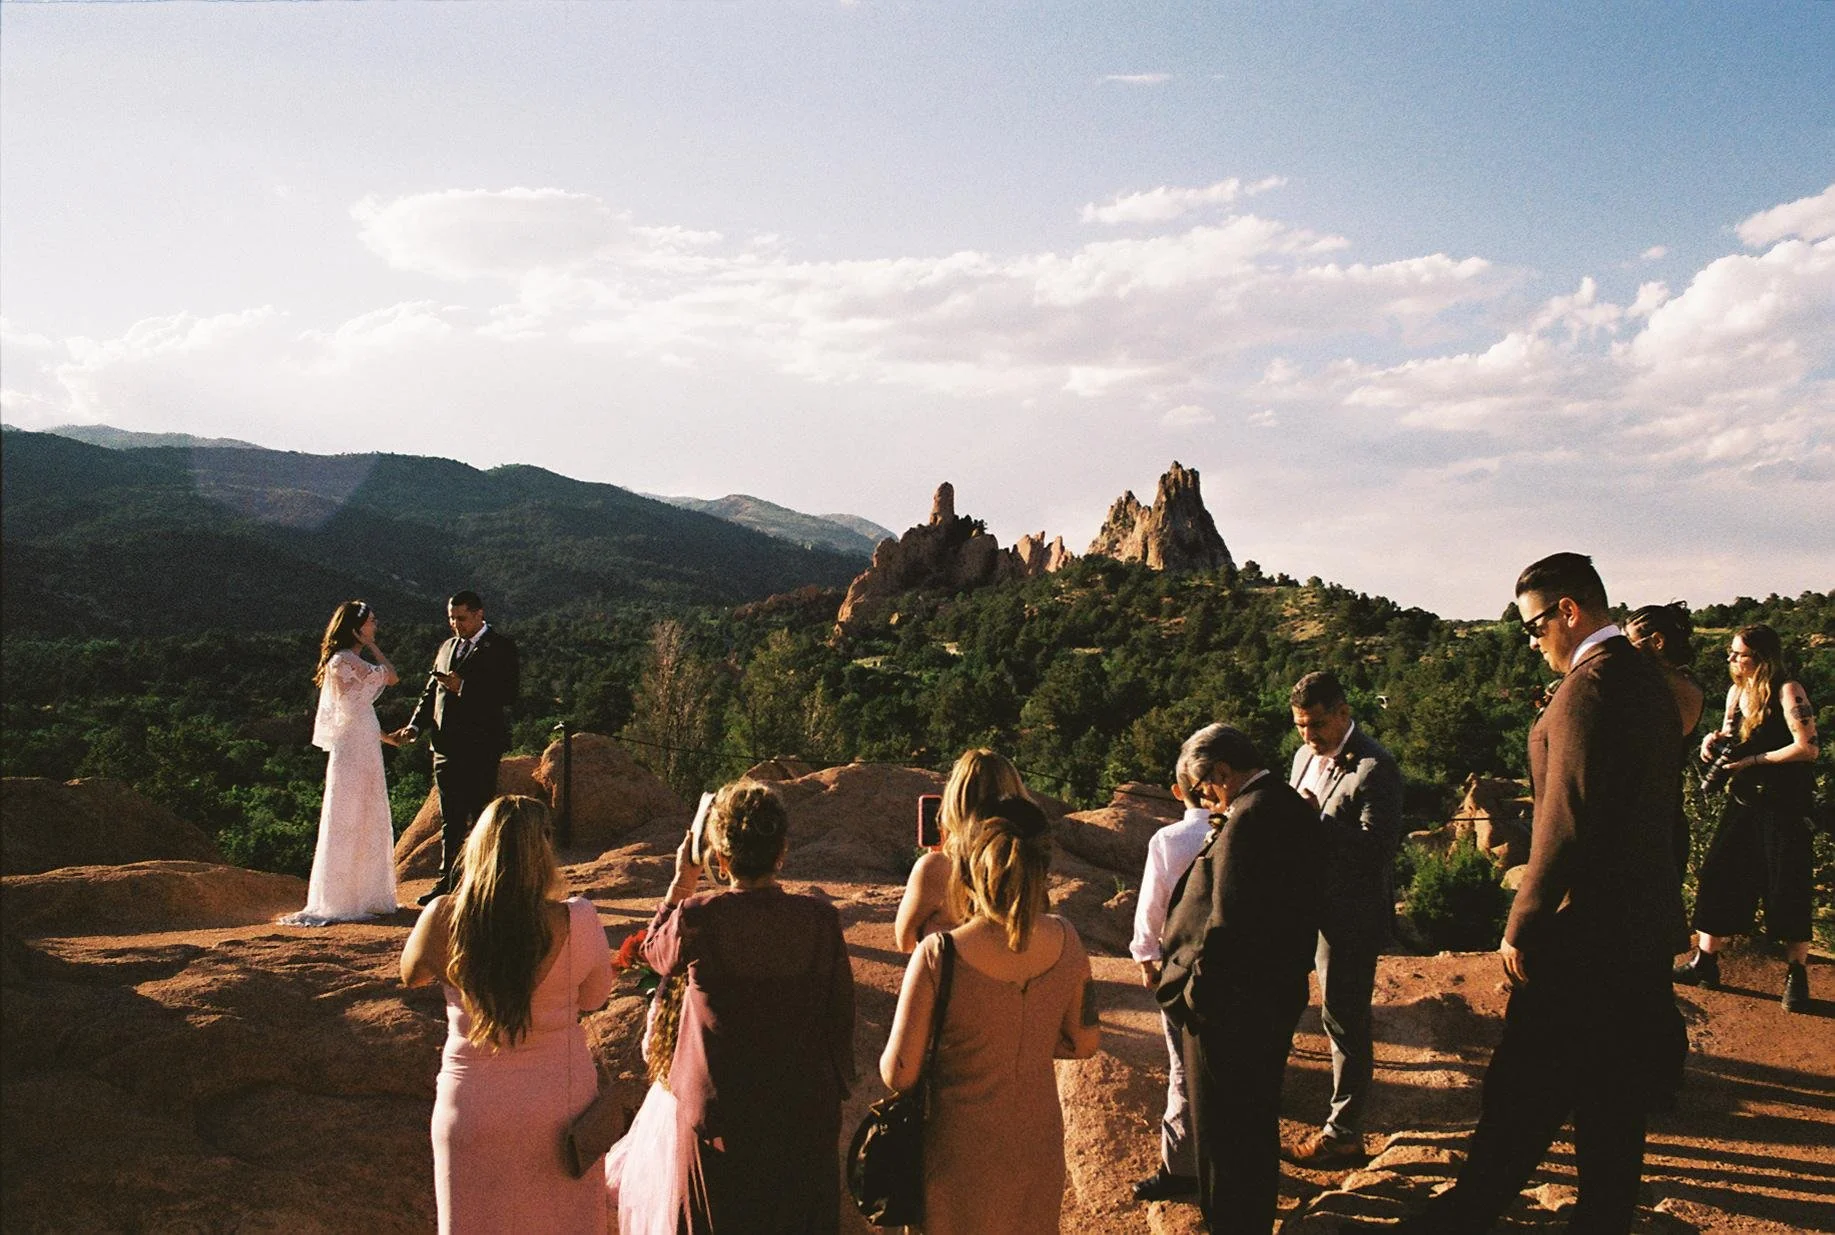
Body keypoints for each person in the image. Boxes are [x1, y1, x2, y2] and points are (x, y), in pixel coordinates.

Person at [1392, 553, 1688, 1235]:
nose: (1531, 642)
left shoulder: (1587, 689)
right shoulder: (1649, 680)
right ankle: (1601, 1216)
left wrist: (1519, 922)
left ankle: (1462, 1217)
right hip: (1638, 927)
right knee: (1611, 1093)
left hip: (1581, 933)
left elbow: (1566, 820)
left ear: (1567, 611)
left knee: (1521, 1086)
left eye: (1532, 626)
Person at [643, 780, 855, 1234]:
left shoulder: (700, 916)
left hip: (721, 1122)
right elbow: (840, 1017)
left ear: (720, 858)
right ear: (781, 851)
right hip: (802, 1118)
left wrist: (682, 882)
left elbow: (653, 953)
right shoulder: (820, 920)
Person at [881, 797, 1100, 1235]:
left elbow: (899, 1073)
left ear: (970, 864)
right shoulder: (1068, 940)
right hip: (1037, 1140)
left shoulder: (939, 955)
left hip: (959, 1147)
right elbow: (1084, 1041)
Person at [400, 795, 615, 1235]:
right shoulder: (579, 919)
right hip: (562, 1109)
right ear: (545, 850)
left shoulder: (443, 916)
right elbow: (595, 998)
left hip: (473, 1103)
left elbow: (412, 974)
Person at [1155, 724, 1324, 1235]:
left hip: (1229, 1008)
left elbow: (1228, 924)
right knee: (1253, 1121)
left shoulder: (1249, 818)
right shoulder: (1292, 805)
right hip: (1271, 994)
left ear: (1223, 773)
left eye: (1204, 789)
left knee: (1222, 1134)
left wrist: (1194, 995)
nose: (1205, 802)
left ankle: (1231, 1223)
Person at [1282, 670, 1403, 1167]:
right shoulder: (1302, 757)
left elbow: (1378, 848)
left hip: (1349, 915)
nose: (1307, 737)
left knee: (1343, 1019)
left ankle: (1344, 1132)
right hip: (1298, 907)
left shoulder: (1377, 767)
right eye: (1299, 726)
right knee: (1282, 1000)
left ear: (1343, 713)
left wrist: (1317, 823)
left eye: (1315, 725)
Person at [1673, 623, 1820, 1012]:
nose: (1732, 660)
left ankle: (1796, 975)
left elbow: (1807, 748)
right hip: (1744, 799)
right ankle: (1706, 961)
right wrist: (1711, 743)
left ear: (1762, 658)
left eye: (1739, 654)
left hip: (1784, 803)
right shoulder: (1737, 692)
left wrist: (1754, 761)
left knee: (1786, 884)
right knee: (1718, 873)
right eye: (1732, 653)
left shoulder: (1789, 691)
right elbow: (1730, 735)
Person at [390, 590, 520, 905]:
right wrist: (415, 725)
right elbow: (430, 693)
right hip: (444, 747)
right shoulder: (447, 647)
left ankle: (484, 882)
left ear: (479, 614)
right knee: (451, 817)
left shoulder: (501, 648)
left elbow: (509, 694)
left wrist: (463, 687)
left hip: (480, 747)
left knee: (480, 816)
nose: (455, 624)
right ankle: (448, 881)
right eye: (451, 618)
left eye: (461, 618)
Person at [283, 600, 401, 924]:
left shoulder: (346, 661)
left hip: (361, 744)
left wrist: (388, 737)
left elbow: (357, 713)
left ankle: (361, 894)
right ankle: (345, 898)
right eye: (371, 622)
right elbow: (392, 677)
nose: (375, 625)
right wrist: (374, 646)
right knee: (351, 813)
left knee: (361, 811)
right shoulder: (344, 661)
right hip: (354, 750)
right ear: (357, 627)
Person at [1127, 758, 1213, 1202]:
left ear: (1178, 793)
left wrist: (1145, 956)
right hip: (1235, 968)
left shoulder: (1170, 839)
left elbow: (1152, 905)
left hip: (1181, 969)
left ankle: (1180, 1169)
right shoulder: (1238, 830)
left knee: (1183, 1067)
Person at [894, 747, 1028, 952]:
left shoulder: (936, 869)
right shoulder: (1028, 861)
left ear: (955, 800)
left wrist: (934, 860)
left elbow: (905, 942)